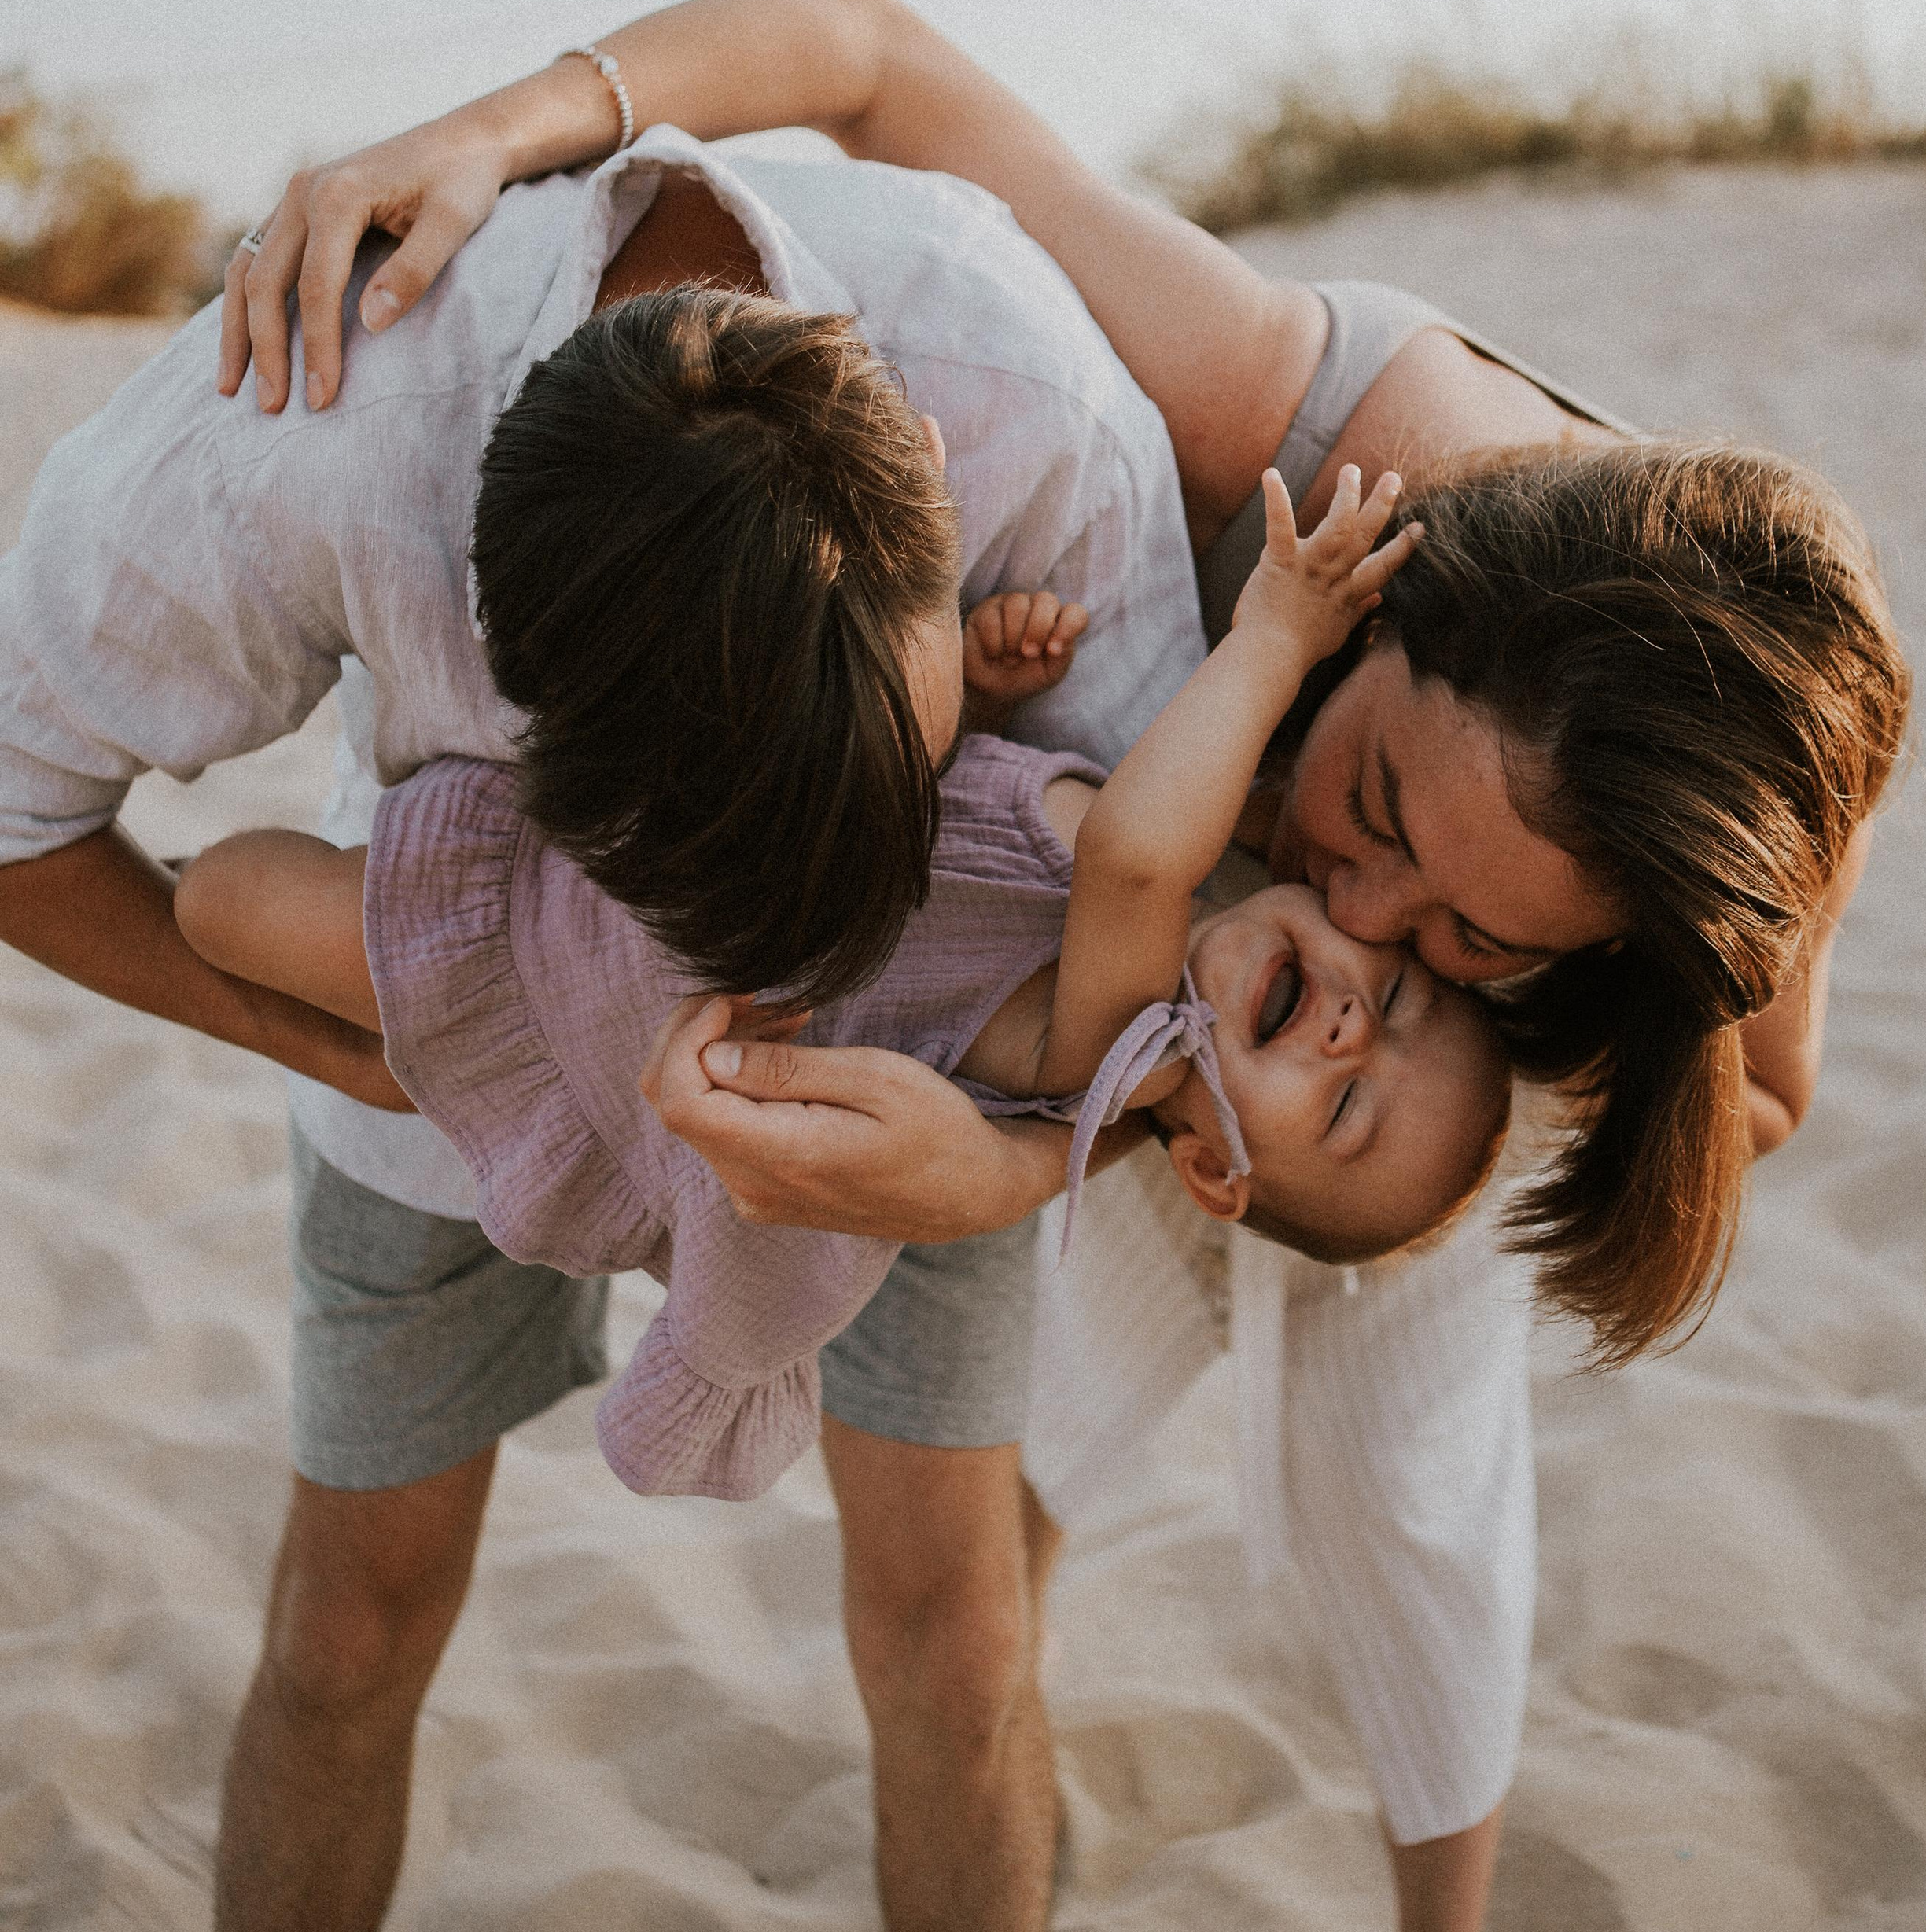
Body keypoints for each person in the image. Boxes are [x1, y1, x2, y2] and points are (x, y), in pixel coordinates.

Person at [223, 0, 1910, 1932]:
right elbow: (864, 51)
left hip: (1392, 1131)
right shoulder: (1310, 420)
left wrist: (1372, 1078)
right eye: (1384, 804)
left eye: (1485, 922)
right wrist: (497, 125)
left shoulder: (1695, 837)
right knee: (1012, 1508)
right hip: (1093, 1005)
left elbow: (1771, 1097)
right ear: (1387, 599)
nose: (1374, 901)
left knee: (1412, 1507)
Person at [0, 112, 1205, 1932]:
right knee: (351, 1623)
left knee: (952, 1635)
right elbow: (15, 818)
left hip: (915, 1067)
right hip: (453, 1018)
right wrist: (398, 1063)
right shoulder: (308, 442)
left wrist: (1005, 1156)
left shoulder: (1030, 406)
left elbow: (1151, 967)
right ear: (507, 689)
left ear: (935, 512)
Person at [173, 300, 1510, 1511]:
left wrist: (1279, 632)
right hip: (666, 849)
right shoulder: (1143, 899)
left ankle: (327, 1002)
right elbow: (953, 827)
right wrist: (976, 692)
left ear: (1217, 1170)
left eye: (1346, 1108)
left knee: (227, 901)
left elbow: (1137, 860)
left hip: (570, 966)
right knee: (274, 896)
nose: (1347, 1032)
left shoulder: (1108, 1046)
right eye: (1392, 998)